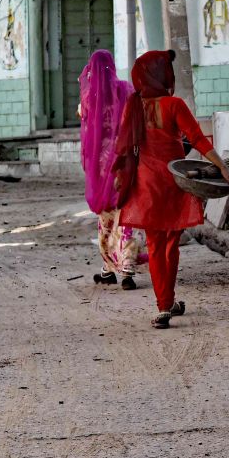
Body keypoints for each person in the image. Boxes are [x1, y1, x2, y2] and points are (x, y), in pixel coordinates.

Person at [114, 50, 229, 329]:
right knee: (172, 244)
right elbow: (197, 139)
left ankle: (164, 306)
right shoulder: (174, 104)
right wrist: (223, 167)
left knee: (155, 245)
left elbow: (122, 150)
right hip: (174, 182)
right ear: (162, 76)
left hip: (145, 185)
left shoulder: (132, 107)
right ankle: (166, 302)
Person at [79, 49, 144, 290]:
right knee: (126, 213)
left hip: (100, 164)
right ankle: (125, 268)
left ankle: (108, 267)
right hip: (124, 159)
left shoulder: (89, 96)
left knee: (105, 216)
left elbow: (85, 125)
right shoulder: (125, 90)